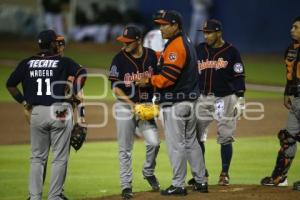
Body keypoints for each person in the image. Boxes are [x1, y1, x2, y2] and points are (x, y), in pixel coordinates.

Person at [6, 29, 87, 200]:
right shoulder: (63, 62)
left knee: (37, 158)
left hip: (37, 112)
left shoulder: (27, 62)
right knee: (59, 158)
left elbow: (10, 84)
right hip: (59, 110)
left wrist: (24, 101)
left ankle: (34, 197)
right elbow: (82, 72)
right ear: (52, 44)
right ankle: (55, 196)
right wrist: (74, 92)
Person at [137, 10, 208, 196]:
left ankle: (178, 184)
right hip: (190, 101)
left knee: (176, 145)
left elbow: (167, 78)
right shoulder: (186, 41)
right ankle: (201, 181)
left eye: (165, 24)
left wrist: (149, 80)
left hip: (177, 103)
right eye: (160, 24)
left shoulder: (176, 46)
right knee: (191, 141)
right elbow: (168, 61)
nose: (161, 28)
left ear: (175, 25)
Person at [108, 25, 161, 199]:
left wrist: (155, 96)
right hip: (125, 107)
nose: (125, 44)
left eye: (128, 41)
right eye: (123, 41)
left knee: (154, 143)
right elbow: (115, 89)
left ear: (138, 40)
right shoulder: (119, 59)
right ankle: (126, 187)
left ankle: (148, 171)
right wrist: (131, 105)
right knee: (125, 149)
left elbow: (159, 80)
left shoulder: (152, 56)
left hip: (145, 106)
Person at [191, 19, 246, 186]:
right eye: (205, 33)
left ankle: (224, 173)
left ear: (219, 33)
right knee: (196, 136)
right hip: (202, 98)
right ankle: (201, 173)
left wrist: (241, 97)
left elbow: (239, 75)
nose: (206, 36)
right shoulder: (199, 50)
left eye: (209, 32)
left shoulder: (231, 51)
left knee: (225, 137)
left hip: (225, 98)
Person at [261, 16, 300, 187]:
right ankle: (279, 177)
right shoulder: (290, 49)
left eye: (297, 27)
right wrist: (287, 93)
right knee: (287, 138)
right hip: (296, 98)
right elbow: (289, 75)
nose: (292, 29)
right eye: (292, 26)